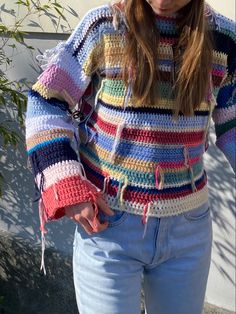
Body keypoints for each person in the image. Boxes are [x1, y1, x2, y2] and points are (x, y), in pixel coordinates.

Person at [25, 0, 235, 313]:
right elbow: (47, 101)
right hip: (109, 226)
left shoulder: (223, 38)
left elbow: (232, 125)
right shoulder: (106, 26)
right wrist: (66, 181)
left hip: (188, 228)